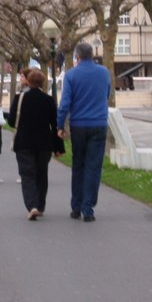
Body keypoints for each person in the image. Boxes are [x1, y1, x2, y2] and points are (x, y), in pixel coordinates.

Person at [57, 42, 111, 222]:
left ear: (77, 57)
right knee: (94, 167)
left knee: (78, 165)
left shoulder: (71, 75)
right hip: (98, 124)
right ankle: (89, 208)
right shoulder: (104, 72)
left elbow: (65, 104)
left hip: (78, 125)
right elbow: (107, 94)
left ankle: (76, 206)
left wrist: (60, 126)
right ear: (92, 55)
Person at [8, 68, 65, 220]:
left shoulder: (20, 98)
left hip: (24, 142)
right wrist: (59, 148)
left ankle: (31, 205)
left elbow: (11, 121)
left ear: (28, 81)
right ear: (42, 82)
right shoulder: (48, 100)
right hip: (44, 144)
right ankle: (40, 205)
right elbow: (55, 125)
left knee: (27, 175)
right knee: (41, 174)